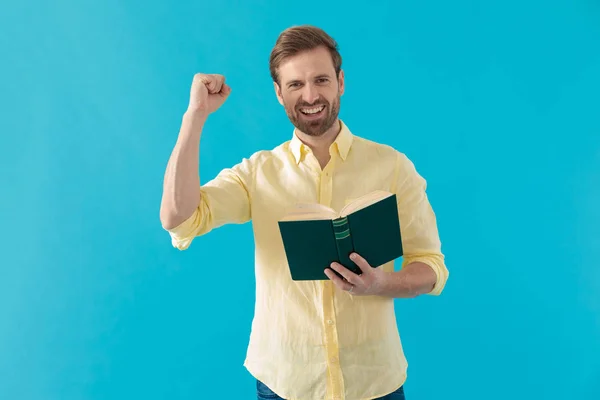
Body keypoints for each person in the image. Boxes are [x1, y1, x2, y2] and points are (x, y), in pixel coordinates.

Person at [160, 25, 449, 400]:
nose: (310, 95)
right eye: (295, 84)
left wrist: (382, 284)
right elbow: (178, 217)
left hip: (374, 382)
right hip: (285, 383)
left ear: (341, 82)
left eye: (321, 80)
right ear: (279, 93)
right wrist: (195, 115)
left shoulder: (392, 167)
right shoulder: (257, 173)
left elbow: (431, 266)